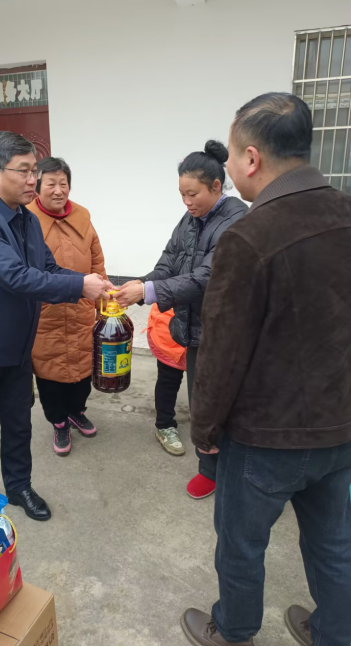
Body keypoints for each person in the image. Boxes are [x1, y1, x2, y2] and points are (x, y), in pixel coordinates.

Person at [181, 93, 351, 647]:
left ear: (251, 158)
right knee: (334, 543)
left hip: (266, 437)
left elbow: (222, 351)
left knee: (240, 544)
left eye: (231, 155)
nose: (228, 166)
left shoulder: (249, 236)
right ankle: (334, 631)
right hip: (339, 427)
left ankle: (233, 632)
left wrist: (205, 430)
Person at [0, 132, 112, 522]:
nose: (34, 179)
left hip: (17, 346)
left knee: (18, 424)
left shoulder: (26, 218)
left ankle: (18, 487)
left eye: (35, 170)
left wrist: (89, 282)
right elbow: (15, 276)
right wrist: (79, 286)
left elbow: (47, 267)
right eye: (25, 171)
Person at [115, 141, 247, 498]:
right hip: (191, 327)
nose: (187, 202)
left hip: (223, 333)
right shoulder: (191, 219)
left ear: (216, 187)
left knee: (222, 406)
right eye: (182, 194)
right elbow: (169, 261)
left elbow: (208, 277)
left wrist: (149, 291)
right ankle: (209, 469)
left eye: (193, 194)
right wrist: (141, 285)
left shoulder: (236, 219)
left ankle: (227, 470)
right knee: (200, 404)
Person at [27, 157, 107, 456]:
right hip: (44, 314)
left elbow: (97, 262)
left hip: (81, 309)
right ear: (38, 187)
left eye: (64, 183)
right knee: (50, 373)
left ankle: (77, 411)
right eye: (51, 184)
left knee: (83, 370)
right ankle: (59, 422)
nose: (59, 190)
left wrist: (102, 305)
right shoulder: (26, 220)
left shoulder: (83, 218)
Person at [147, 304, 187, 456]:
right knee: (169, 380)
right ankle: (165, 425)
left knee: (207, 383)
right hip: (169, 327)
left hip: (207, 326)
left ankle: (209, 427)